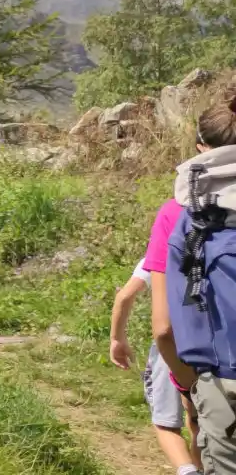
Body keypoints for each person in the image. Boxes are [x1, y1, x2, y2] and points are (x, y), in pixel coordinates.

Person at [156, 94, 236, 473]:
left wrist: (190, 383)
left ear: (202, 149)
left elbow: (164, 328)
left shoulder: (185, 217)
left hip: (222, 382)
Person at [112, 252, 200, 474]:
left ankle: (188, 470)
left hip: (168, 345)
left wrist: (117, 339)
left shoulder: (157, 257)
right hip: (205, 343)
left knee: (165, 421)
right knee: (198, 421)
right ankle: (203, 468)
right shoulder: (210, 249)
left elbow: (124, 297)